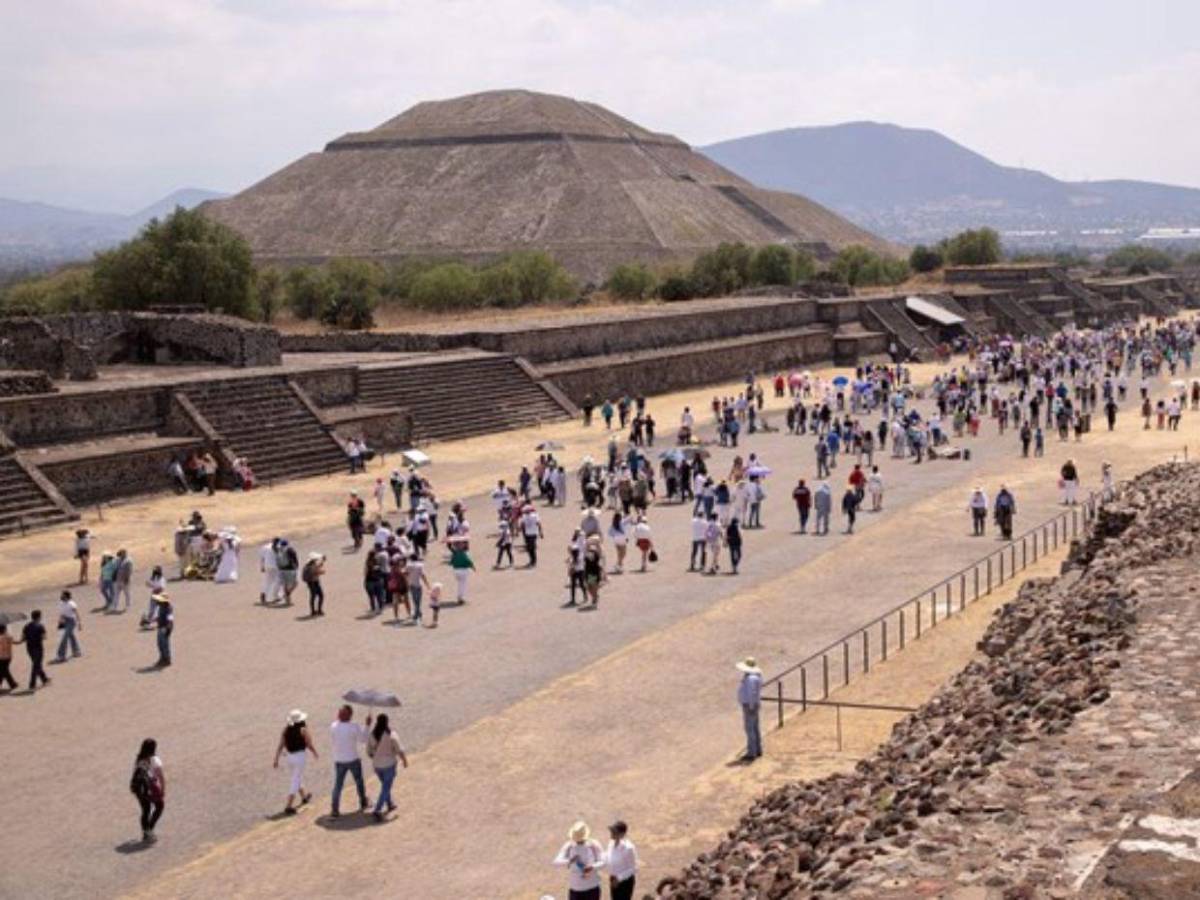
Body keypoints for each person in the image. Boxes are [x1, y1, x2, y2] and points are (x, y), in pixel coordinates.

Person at [330, 705, 371, 817]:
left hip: (339, 759)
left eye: (340, 712)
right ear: (350, 715)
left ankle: (334, 808)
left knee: (338, 785)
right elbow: (363, 739)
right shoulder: (354, 726)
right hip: (353, 759)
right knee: (359, 782)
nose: (338, 714)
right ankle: (363, 802)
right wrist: (367, 725)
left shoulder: (333, 726)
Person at [273, 710, 317, 815]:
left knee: (296, 776)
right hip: (300, 757)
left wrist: (276, 759)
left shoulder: (285, 730)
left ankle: (304, 797)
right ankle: (288, 806)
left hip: (290, 757)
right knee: (295, 779)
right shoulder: (303, 730)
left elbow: (280, 745)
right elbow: (309, 744)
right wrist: (315, 752)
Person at [366, 713, 408, 822]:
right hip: (389, 765)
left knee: (385, 786)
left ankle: (390, 803)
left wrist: (376, 757)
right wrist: (404, 760)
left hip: (377, 766)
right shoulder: (392, 735)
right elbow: (399, 749)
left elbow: (369, 751)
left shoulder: (372, 734)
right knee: (386, 787)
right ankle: (378, 809)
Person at [553, 821, 606, 900]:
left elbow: (604, 862)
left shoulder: (594, 844)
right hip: (576, 889)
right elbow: (556, 862)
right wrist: (569, 860)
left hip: (591, 887)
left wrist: (592, 867)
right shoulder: (569, 846)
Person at [130, 738, 165, 843]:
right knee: (159, 806)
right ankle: (150, 829)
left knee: (145, 810)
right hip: (151, 788)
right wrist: (163, 790)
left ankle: (146, 832)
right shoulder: (155, 760)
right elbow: (161, 777)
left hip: (139, 789)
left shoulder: (138, 759)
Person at [736, 656, 763, 762]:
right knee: (755, 727)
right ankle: (757, 749)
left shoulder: (751, 679)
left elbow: (752, 693)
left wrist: (751, 705)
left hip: (749, 705)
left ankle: (752, 752)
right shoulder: (756, 677)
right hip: (753, 704)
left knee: (750, 728)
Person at [606, 821, 639, 900]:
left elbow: (634, 868)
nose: (612, 833)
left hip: (624, 883)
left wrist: (619, 878)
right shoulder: (611, 843)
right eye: (611, 830)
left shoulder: (628, 848)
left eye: (614, 831)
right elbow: (607, 857)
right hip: (613, 879)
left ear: (622, 834)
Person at [16, 610, 49, 690]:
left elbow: (22, 639)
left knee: (36, 664)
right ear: (38, 617)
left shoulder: (26, 626)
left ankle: (44, 679)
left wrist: (15, 642)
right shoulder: (40, 626)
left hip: (29, 648)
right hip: (38, 648)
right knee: (35, 665)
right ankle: (32, 684)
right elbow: (44, 637)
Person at [54, 589, 82, 662]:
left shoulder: (71, 604)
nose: (61, 596)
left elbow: (76, 613)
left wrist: (79, 623)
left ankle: (61, 656)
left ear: (66, 596)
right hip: (65, 621)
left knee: (64, 638)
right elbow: (62, 613)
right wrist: (60, 622)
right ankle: (77, 651)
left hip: (71, 621)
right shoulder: (61, 603)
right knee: (71, 636)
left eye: (62, 594)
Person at [448, 538, 475, 604]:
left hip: (456, 571)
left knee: (460, 584)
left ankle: (460, 597)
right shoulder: (464, 553)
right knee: (463, 584)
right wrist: (473, 567)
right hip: (463, 571)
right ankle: (460, 598)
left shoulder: (455, 553)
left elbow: (451, 562)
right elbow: (468, 561)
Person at [153, 594, 174, 667]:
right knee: (159, 644)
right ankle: (162, 658)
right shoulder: (161, 607)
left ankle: (167, 659)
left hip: (164, 628)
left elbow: (170, 620)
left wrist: (167, 629)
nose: (157, 601)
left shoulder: (168, 608)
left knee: (165, 645)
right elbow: (159, 617)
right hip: (160, 627)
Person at [259, 539, 281, 605]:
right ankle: (276, 596)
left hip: (267, 565)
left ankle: (263, 594)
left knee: (267, 581)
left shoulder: (265, 547)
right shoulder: (279, 547)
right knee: (278, 581)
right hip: (275, 566)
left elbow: (262, 558)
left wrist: (262, 566)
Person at [0, 623, 17, 691]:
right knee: (4, 670)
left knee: (4, 671)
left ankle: (13, 684)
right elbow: (16, 642)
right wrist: (23, 639)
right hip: (8, 656)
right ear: (5, 629)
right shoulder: (9, 636)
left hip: (1, 657)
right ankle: (13, 684)